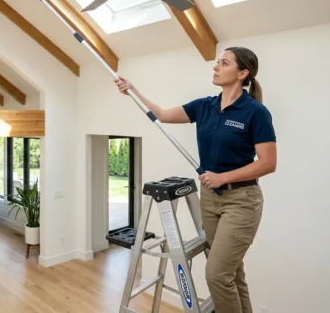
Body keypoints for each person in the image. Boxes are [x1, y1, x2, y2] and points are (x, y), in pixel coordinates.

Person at [114, 46, 277, 313]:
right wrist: (133, 91)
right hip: (210, 199)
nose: (216, 66)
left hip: (241, 201)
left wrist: (222, 177)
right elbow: (162, 115)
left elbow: (268, 163)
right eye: (217, 62)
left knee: (217, 275)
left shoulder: (255, 112)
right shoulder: (205, 106)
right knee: (232, 273)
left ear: (242, 73)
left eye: (224, 63)